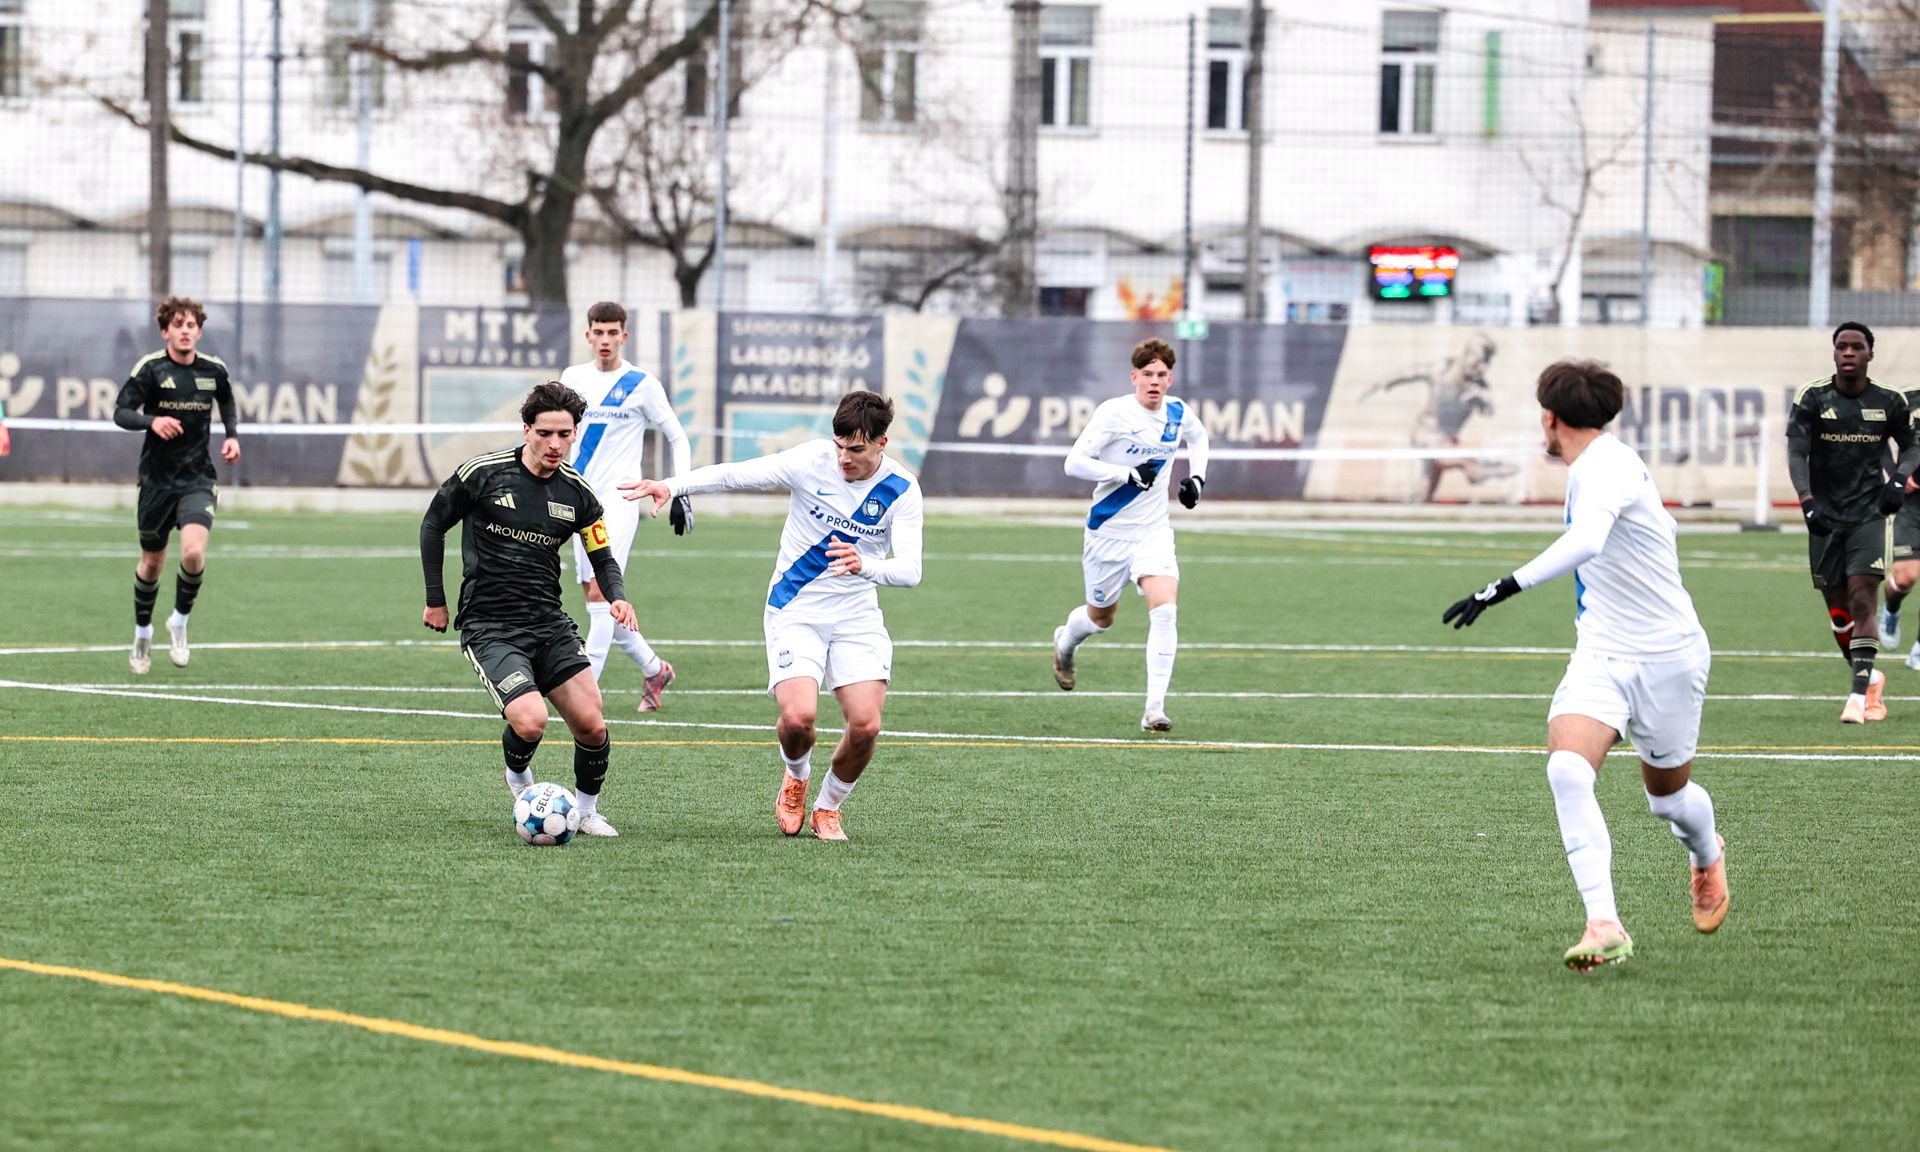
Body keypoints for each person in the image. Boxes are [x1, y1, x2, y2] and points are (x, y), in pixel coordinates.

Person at [1443, 359, 1727, 973]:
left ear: (1550, 418)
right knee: (1568, 770)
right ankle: (1604, 923)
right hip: (1600, 651)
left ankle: (1706, 853)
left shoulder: (1609, 464)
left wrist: (1501, 587)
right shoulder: (1590, 466)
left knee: (1668, 801)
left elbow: (1588, 540)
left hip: (1668, 656)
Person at [621, 391, 923, 842]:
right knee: (798, 719)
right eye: (839, 446)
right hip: (794, 608)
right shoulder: (811, 461)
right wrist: (673, 485)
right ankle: (796, 777)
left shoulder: (901, 489)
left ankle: (828, 807)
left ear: (882, 443)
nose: (844, 458)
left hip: (857, 617)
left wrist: (867, 565)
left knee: (866, 726)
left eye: (856, 449)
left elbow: (911, 570)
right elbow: (734, 474)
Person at [420, 382, 632, 838]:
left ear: (575, 434)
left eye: (565, 434)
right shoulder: (482, 474)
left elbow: (602, 556)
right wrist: (436, 599)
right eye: (545, 433)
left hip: (548, 623)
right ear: (526, 430)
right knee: (532, 721)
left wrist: (616, 594)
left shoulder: (578, 494)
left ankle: (587, 812)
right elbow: (434, 523)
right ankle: (518, 777)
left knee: (592, 724)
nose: (555, 444)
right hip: (490, 626)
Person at [1048, 337, 1210, 732]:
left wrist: (1197, 479)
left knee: (1165, 608)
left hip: (1153, 532)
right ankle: (1065, 645)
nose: (1155, 381)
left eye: (1162, 375)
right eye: (1147, 374)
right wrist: (1125, 474)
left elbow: (1199, 437)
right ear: (1134, 377)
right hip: (1107, 532)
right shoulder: (1114, 414)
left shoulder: (1177, 412)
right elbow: (1074, 463)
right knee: (1101, 618)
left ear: (1170, 379)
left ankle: (1154, 708)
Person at [560, 301, 692, 712]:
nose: (605, 340)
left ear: (624, 336)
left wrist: (679, 489)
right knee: (599, 601)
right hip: (579, 500)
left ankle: (584, 698)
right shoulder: (573, 378)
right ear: (588, 335)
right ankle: (655, 669)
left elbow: (677, 436)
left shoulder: (641, 383)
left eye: (612, 332)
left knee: (602, 595)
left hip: (619, 503)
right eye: (598, 332)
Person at [1787, 321, 1918, 722]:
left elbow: (1912, 446)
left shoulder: (1889, 401)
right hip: (1824, 516)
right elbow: (1796, 454)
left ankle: (1858, 699)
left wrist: (1898, 479)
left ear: (1869, 355)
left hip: (1868, 515)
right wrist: (1807, 500)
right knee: (1839, 615)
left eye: (1856, 346)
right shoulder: (1812, 397)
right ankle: (1870, 678)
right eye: (1841, 346)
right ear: (1834, 353)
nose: (1848, 352)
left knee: (1863, 598)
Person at [113, 295, 241, 674]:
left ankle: (179, 622)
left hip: (197, 478)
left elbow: (226, 400)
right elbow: (121, 412)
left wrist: (232, 436)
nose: (185, 331)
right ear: (165, 331)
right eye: (178, 325)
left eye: (191, 325)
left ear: (199, 331)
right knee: (152, 562)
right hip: (156, 481)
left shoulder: (213, 370)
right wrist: (151, 421)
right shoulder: (150, 370)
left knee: (193, 553)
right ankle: (142, 632)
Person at [1878, 383, 1920, 671]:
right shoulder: (1907, 399)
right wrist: (1896, 475)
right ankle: (1891, 609)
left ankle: (1918, 650)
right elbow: (1877, 435)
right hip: (1911, 503)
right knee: (1905, 578)